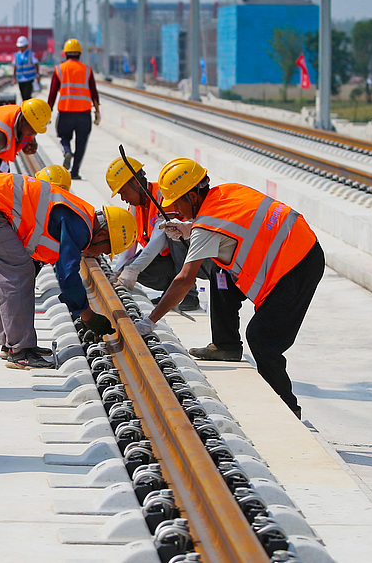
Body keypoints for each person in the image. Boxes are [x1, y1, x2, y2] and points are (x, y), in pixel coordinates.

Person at [136, 158, 324, 419]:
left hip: (297, 265)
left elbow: (184, 281)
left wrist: (150, 320)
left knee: (262, 338)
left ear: (192, 195)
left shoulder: (206, 226)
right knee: (220, 272)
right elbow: (229, 225)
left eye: (177, 203)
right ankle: (225, 345)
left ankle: (288, 408)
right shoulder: (228, 191)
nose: (175, 209)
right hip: (300, 245)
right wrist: (190, 228)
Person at [0, 172, 135, 369]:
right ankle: (20, 351)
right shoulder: (80, 227)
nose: (100, 254)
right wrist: (88, 316)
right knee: (18, 272)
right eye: (106, 249)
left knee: (3, 276)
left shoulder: (80, 215)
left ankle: (11, 344)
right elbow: (67, 274)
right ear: (102, 234)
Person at [104, 155, 202, 311]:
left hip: (190, 255)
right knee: (129, 266)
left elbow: (158, 240)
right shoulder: (135, 207)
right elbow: (130, 247)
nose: (123, 198)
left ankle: (189, 294)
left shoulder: (162, 196)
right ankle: (171, 290)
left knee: (174, 237)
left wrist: (133, 270)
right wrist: (117, 273)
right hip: (167, 260)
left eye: (123, 192)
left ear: (136, 183)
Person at [47, 38, 100, 179]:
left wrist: (48, 111)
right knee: (81, 143)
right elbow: (94, 92)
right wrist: (97, 111)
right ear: (80, 54)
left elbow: (53, 92)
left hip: (66, 112)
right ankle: (75, 172)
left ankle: (66, 151)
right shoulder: (87, 70)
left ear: (65, 54)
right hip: (84, 114)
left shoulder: (60, 69)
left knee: (64, 137)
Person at [14, 35, 39, 101]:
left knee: (27, 96)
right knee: (23, 96)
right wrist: (14, 77)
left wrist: (37, 75)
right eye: (20, 46)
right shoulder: (16, 55)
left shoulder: (31, 54)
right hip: (20, 79)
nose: (21, 48)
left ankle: (28, 108)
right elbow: (15, 66)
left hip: (29, 78)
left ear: (26, 46)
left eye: (22, 46)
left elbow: (36, 64)